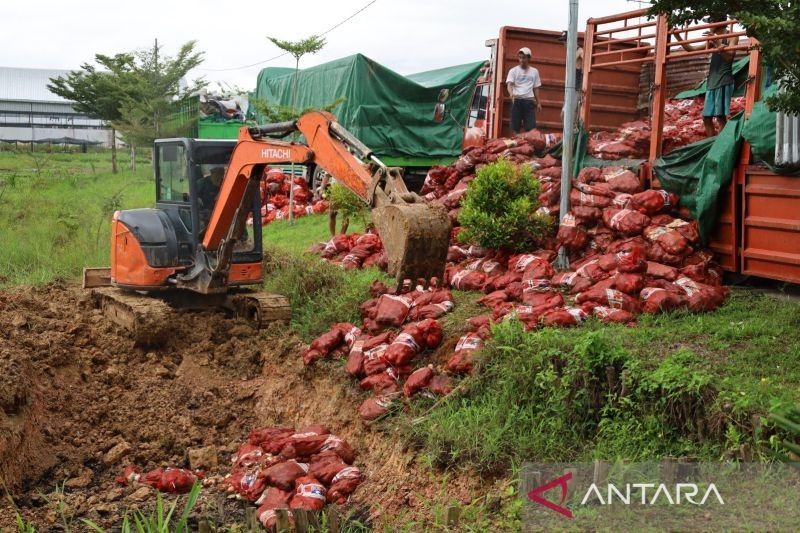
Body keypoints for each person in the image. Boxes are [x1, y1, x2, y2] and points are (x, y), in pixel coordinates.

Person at [675, 15, 739, 137]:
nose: (708, 25)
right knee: (706, 118)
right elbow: (691, 49)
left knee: (720, 117)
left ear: (719, 22)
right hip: (712, 82)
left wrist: (718, 43)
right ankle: (712, 146)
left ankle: (721, 146)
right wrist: (677, 35)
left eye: (711, 22)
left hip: (723, 80)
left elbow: (729, 58)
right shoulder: (712, 39)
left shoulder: (732, 36)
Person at [506, 47, 542, 134]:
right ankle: (516, 145)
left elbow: (536, 88)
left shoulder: (534, 72)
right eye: (520, 57)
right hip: (517, 100)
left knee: (531, 128)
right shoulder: (513, 71)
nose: (522, 60)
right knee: (515, 127)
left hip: (528, 101)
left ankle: (528, 146)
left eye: (524, 57)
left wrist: (538, 103)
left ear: (529, 58)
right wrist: (511, 94)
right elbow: (509, 85)